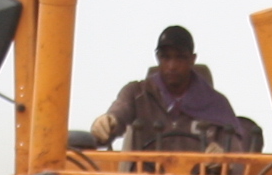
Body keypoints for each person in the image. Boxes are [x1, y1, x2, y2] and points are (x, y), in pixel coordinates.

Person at [90, 26, 260, 154]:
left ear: (192, 59)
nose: (172, 66)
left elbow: (236, 148)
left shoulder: (216, 104)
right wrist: (106, 122)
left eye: (180, 57)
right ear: (158, 58)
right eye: (166, 57)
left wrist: (222, 154)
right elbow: (119, 113)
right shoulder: (137, 94)